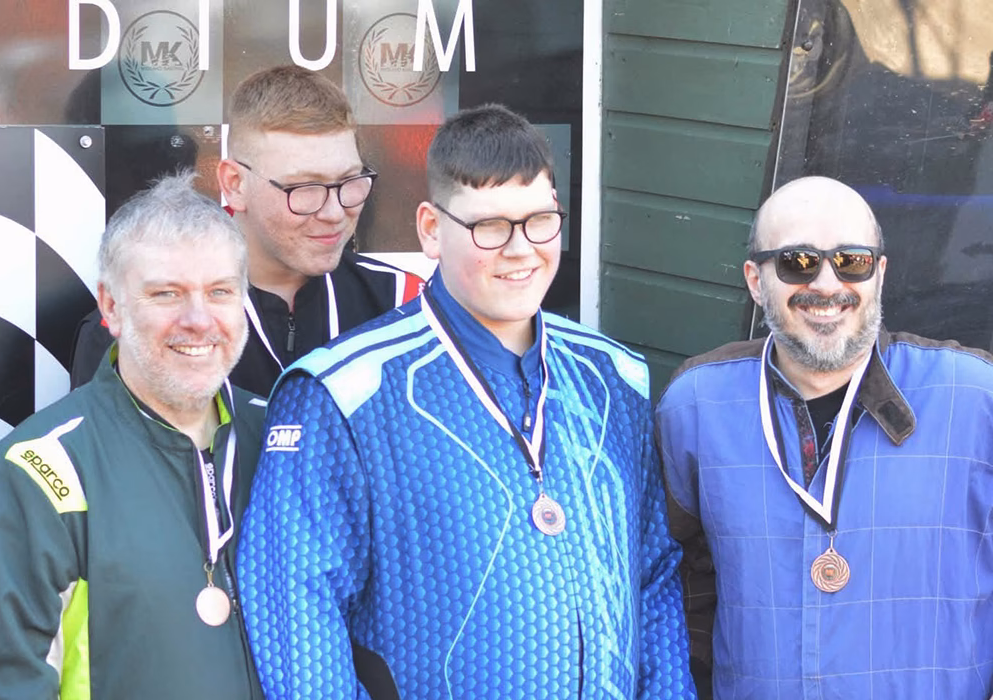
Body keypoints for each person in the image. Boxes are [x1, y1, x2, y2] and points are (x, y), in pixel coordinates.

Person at [237, 104, 696, 699]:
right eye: (489, 227)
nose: (521, 248)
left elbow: (654, 575)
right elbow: (295, 616)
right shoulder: (341, 395)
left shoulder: (613, 376)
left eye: (540, 221)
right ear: (431, 228)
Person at [656, 175, 993, 699]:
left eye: (851, 260)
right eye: (798, 262)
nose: (828, 285)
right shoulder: (697, 404)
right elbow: (677, 580)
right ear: (754, 279)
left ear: (878, 273)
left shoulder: (974, 399)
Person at [0, 172, 265, 699]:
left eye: (220, 292)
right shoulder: (39, 469)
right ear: (112, 308)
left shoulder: (286, 440)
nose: (199, 319)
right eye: (167, 293)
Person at [70, 65, 423, 397]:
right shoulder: (140, 320)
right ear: (235, 184)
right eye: (304, 188)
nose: (334, 212)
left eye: (349, 181)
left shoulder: (405, 304)